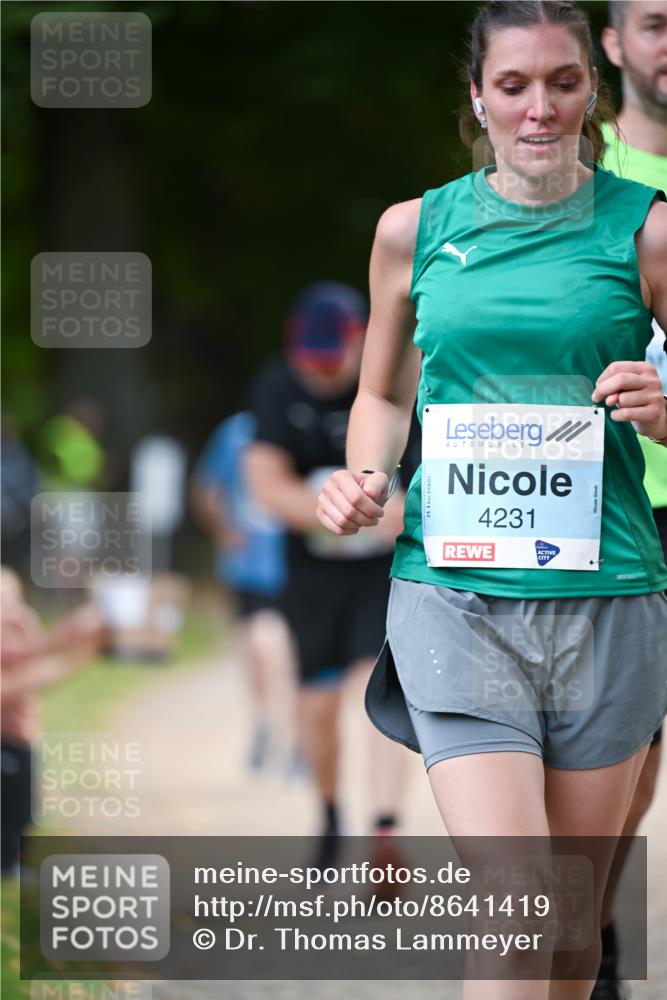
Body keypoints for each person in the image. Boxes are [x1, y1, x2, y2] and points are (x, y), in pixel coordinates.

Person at [316, 2, 667, 997]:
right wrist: (365, 468)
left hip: (609, 598)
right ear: (477, 95)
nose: (540, 107)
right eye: (513, 85)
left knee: (565, 935)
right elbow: (382, 392)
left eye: (561, 83)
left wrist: (664, 407)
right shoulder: (412, 231)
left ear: (589, 90)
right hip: (453, 597)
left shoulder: (646, 234)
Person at [246, 282, 414, 867]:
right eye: (308, 361)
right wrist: (332, 515)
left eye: (330, 359)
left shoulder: (399, 380)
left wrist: (378, 521)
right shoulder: (276, 386)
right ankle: (329, 813)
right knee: (316, 704)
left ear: (360, 341)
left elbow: (419, 491)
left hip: (382, 575)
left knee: (380, 691)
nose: (319, 372)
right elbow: (264, 481)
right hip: (313, 576)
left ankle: (385, 828)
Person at [593, 4, 667, 996]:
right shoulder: (560, 161)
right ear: (610, 43)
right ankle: (593, 943)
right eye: (655, 22)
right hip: (607, 510)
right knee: (621, 759)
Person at [192, 411, 293, 770]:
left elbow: (206, 489)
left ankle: (273, 725)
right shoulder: (237, 430)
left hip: (291, 562)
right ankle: (274, 726)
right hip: (252, 562)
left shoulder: (287, 421)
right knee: (268, 644)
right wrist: (225, 533)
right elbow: (207, 488)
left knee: (265, 644)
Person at [1, 568, 105, 875]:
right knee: (11, 807)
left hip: (22, 738)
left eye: (13, 599)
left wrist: (81, 646)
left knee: (26, 808)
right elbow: (24, 672)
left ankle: (15, 862)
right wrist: (71, 638)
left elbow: (34, 660)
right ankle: (8, 865)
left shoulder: (22, 626)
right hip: (6, 740)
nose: (10, 609)